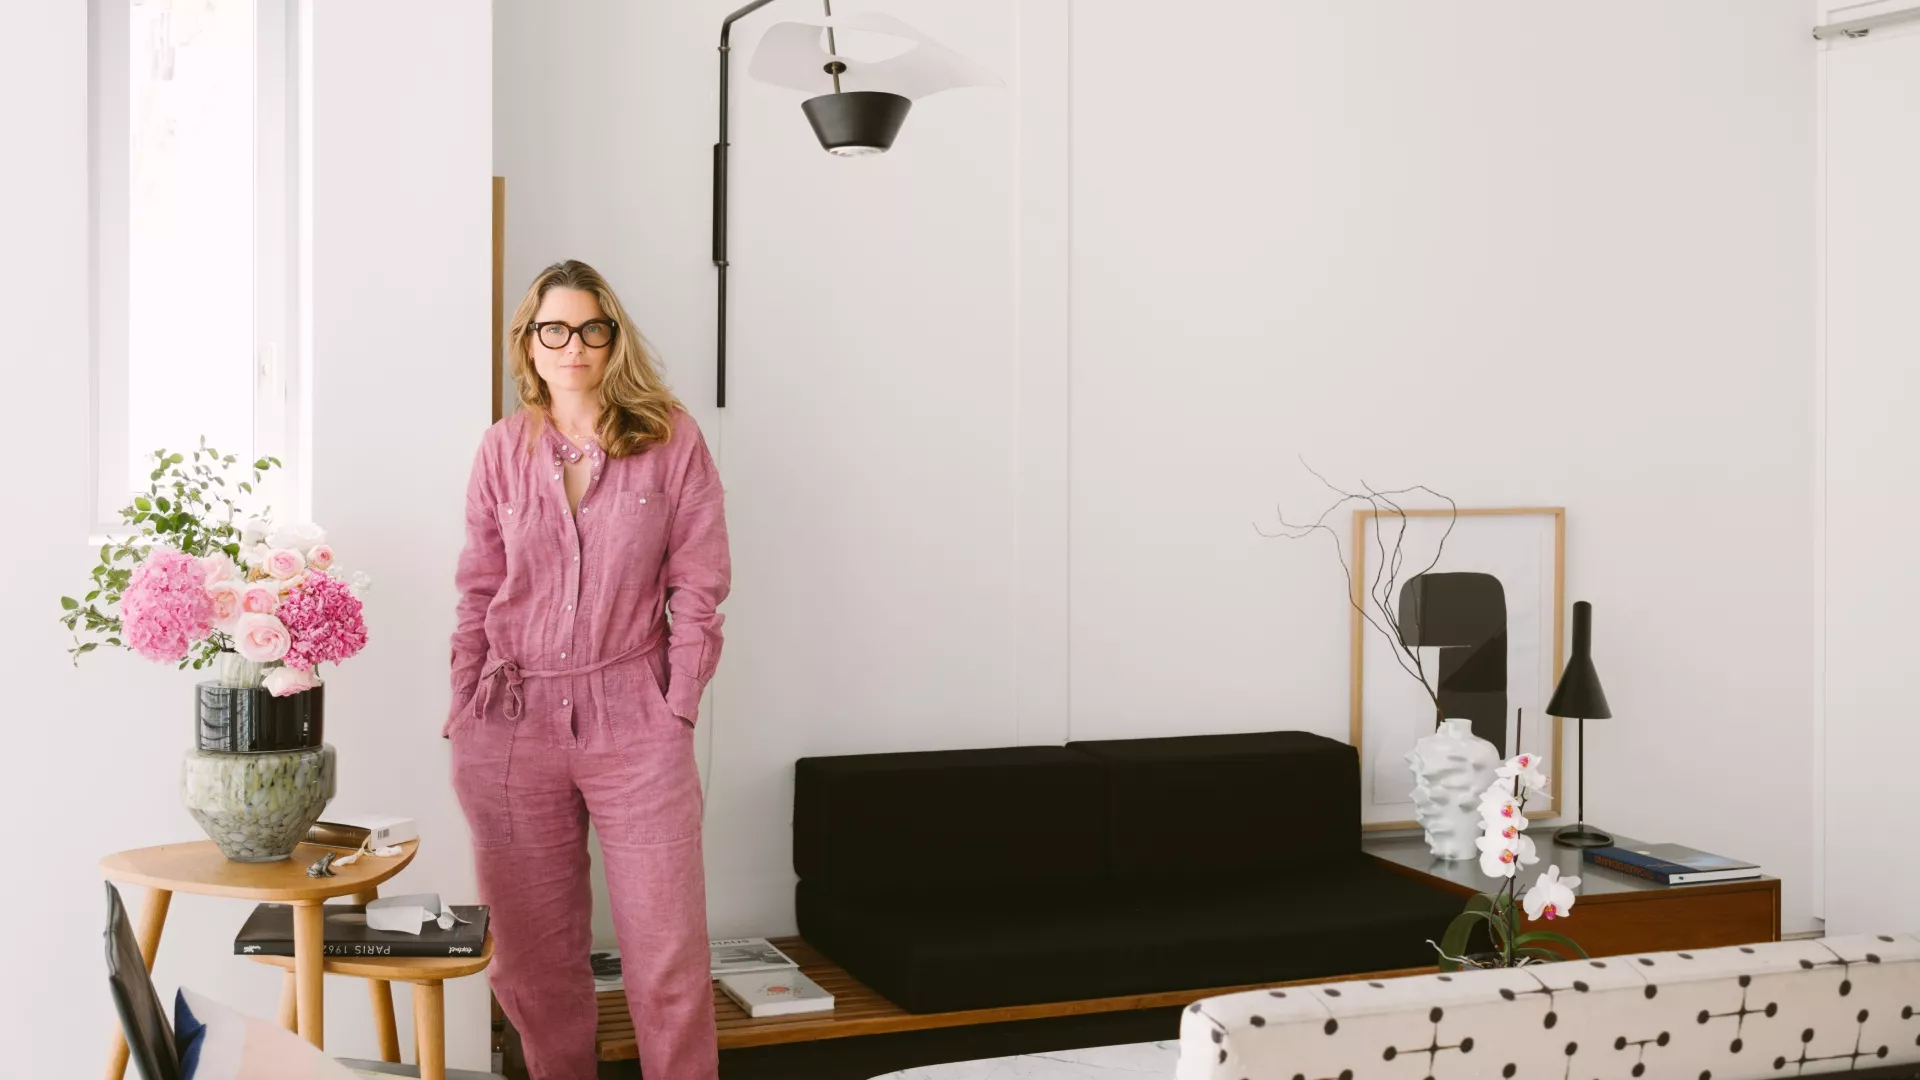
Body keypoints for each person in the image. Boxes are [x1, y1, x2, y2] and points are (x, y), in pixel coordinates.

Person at [446, 259, 729, 1079]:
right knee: (532, 963)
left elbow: (700, 582)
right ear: (528, 346)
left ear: (613, 339)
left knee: (666, 954)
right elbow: (477, 586)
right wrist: (463, 710)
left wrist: (676, 704)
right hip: (511, 723)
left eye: (591, 329)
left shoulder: (670, 439)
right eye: (554, 330)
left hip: (636, 718)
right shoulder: (502, 450)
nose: (573, 346)